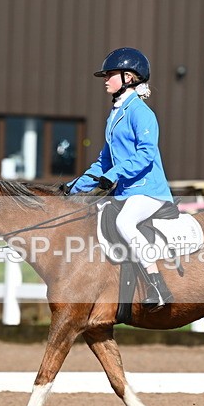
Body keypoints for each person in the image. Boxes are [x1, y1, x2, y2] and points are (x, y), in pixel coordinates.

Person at [68, 47, 174, 309]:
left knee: (125, 221)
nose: (105, 80)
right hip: (127, 192)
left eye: (110, 75)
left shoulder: (141, 112)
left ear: (129, 77)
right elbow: (105, 160)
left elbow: (146, 154)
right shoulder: (115, 114)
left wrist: (113, 175)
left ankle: (157, 286)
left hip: (149, 191)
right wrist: (74, 187)